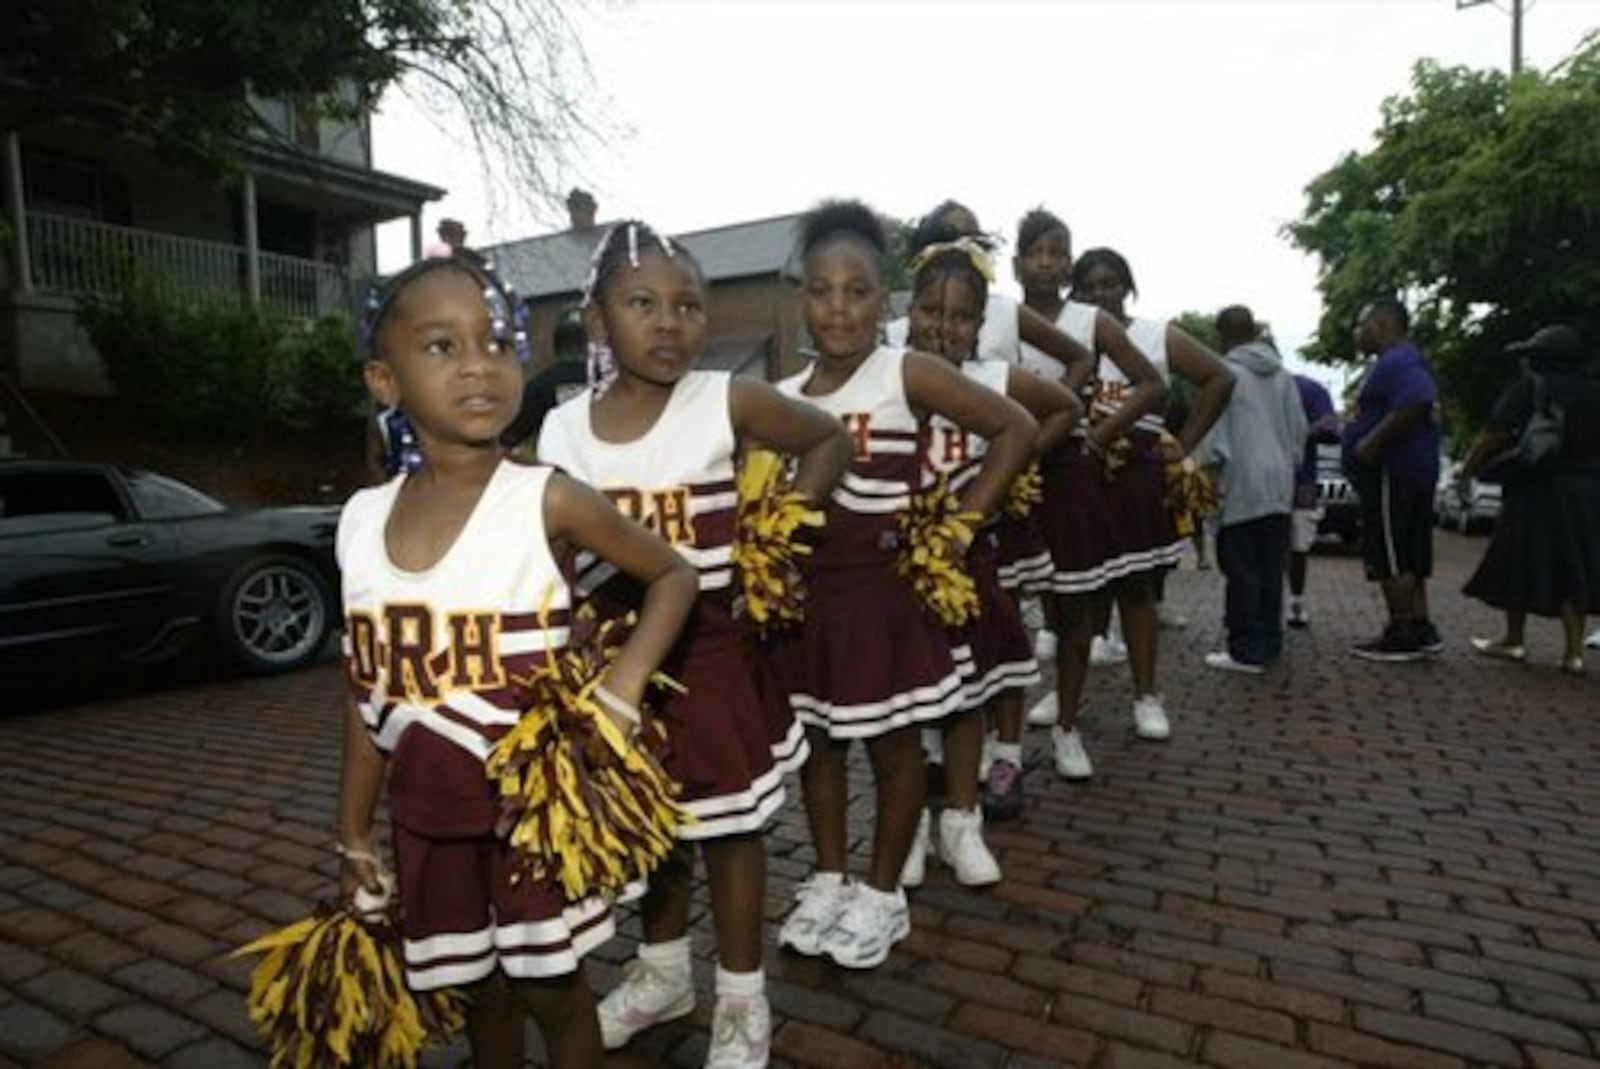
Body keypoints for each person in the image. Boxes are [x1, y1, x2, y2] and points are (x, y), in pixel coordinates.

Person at [334, 253, 698, 1069]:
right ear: (383, 380)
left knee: (552, 991)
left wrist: (623, 684)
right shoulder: (357, 521)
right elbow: (364, 693)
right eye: (442, 346)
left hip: (526, 819)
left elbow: (673, 574)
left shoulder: (547, 494)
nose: (478, 364)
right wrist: (353, 828)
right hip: (425, 819)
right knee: (476, 994)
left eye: (496, 342)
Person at [536, 221, 850, 1067]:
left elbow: (828, 438)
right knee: (653, 826)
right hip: (614, 658)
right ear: (598, 321)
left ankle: (743, 998)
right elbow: (554, 553)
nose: (669, 322)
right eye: (642, 303)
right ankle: (663, 972)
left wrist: (784, 527)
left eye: (688, 305)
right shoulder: (560, 431)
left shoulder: (724, 398)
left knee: (729, 829)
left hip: (711, 649)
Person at [774, 200, 1035, 969]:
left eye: (857, 291)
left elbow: (1015, 429)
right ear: (802, 300)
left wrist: (958, 525)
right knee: (818, 749)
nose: (839, 308)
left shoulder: (904, 369)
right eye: (822, 291)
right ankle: (827, 879)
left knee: (892, 749)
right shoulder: (783, 393)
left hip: (888, 598)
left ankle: (883, 895)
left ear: (880, 299)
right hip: (811, 604)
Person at [898, 238, 1078, 875]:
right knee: (912, 700)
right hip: (901, 563)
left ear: (980, 324)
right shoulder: (887, 374)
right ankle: (910, 827)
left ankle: (962, 822)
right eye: (929, 310)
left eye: (960, 315)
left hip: (970, 554)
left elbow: (1063, 407)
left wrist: (1002, 477)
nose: (942, 327)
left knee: (970, 691)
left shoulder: (993, 379)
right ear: (908, 311)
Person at [1010, 214, 1170, 780]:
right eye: (1036, 252)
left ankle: (1068, 726)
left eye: (1059, 252)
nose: (1047, 262)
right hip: (1010, 471)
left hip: (1069, 470)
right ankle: (996, 737)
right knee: (1011, 605)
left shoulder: (1089, 320)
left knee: (1076, 602)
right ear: (1017, 262)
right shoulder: (998, 317)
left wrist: (1100, 434)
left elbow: (1153, 383)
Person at [1064, 247, 1232, 746]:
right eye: (1088, 286)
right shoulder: (1067, 336)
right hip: (1081, 472)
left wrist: (1182, 444)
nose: (1099, 294)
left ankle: (1146, 694)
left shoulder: (1156, 336)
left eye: (1109, 283)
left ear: (1128, 286)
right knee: (1078, 591)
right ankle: (1069, 695)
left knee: (1137, 588)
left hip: (1136, 469)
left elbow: (1220, 377)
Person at [1460, 324, 1600, 674]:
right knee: (1573, 564)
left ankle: (1513, 639)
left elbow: (1493, 435)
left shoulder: (1530, 387)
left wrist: (1467, 471)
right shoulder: (1595, 393)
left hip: (1534, 486)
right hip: (1584, 492)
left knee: (1518, 558)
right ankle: (1573, 653)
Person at [1203, 305, 1307, 673]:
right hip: (1279, 482)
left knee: (1241, 567)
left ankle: (1244, 647)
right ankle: (1269, 641)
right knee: (1269, 566)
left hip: (1241, 480)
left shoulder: (1224, 375)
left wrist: (1209, 480)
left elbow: (1216, 438)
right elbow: (1300, 432)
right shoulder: (1283, 376)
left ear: (1221, 335)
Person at [1343, 296, 1443, 661]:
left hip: (1393, 472)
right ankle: (1419, 625)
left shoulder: (1397, 360)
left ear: (1382, 326)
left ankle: (1400, 632)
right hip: (1410, 471)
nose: (1357, 332)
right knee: (1411, 553)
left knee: (1392, 552)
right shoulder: (1405, 359)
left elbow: (1417, 399)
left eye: (1361, 324)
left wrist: (1371, 441)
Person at [1287, 373, 1340, 628]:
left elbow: (1331, 429)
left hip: (1300, 480)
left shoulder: (1308, 388)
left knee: (1299, 544)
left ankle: (1296, 601)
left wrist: (1305, 432)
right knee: (1262, 541)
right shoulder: (1245, 383)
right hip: (1260, 477)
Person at [501, 312, 590, 450]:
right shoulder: (608, 381)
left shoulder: (540, 386)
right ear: (588, 344)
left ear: (556, 346)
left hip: (558, 466)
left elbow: (509, 438)